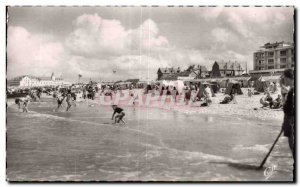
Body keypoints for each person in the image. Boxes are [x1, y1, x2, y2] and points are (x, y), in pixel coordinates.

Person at [281, 69, 294, 159]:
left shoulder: (293, 91)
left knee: (293, 144)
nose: (283, 80)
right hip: (289, 120)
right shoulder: (292, 90)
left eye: (284, 78)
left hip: (292, 121)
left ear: (288, 78)